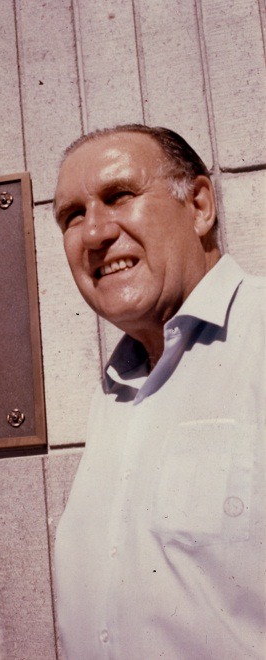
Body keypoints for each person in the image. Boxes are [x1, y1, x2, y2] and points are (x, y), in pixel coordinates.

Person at [51, 124, 265, 658]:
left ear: (198, 206)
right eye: (72, 215)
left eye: (118, 196)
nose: (94, 233)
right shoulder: (116, 389)